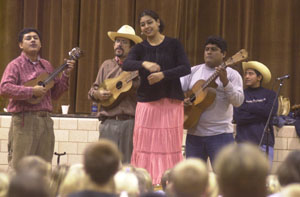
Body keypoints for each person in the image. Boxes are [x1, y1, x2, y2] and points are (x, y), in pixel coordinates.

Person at [122, 9, 191, 185]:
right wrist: (144, 63)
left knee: (169, 145)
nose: (146, 27)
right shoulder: (139, 48)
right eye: (143, 24)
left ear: (158, 22)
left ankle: (170, 182)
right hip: (147, 102)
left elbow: (185, 68)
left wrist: (163, 75)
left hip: (171, 101)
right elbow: (127, 64)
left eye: (149, 22)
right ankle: (145, 182)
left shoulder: (174, 44)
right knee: (144, 145)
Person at [0, 28, 75, 169]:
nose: (33, 40)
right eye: (28, 38)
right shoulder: (15, 65)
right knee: (19, 166)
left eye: (36, 38)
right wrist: (31, 91)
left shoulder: (46, 65)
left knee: (44, 166)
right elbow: (4, 88)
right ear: (20, 45)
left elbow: (55, 94)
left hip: (45, 121)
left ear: (41, 44)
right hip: (24, 121)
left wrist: (66, 74)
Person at [180, 36, 244, 165]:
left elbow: (238, 101)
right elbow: (175, 90)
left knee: (225, 178)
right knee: (194, 179)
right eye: (206, 49)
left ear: (224, 54)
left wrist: (225, 82)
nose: (209, 52)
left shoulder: (232, 74)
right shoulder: (193, 71)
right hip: (194, 135)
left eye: (214, 49)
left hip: (221, 135)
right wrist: (182, 101)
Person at [88, 25, 142, 164]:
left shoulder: (138, 67)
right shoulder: (106, 65)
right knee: (103, 165)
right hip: (108, 122)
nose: (119, 44)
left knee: (127, 166)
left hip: (130, 123)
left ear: (131, 47)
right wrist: (97, 93)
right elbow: (92, 91)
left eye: (124, 42)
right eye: (117, 41)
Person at [233, 61, 278, 163]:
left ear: (259, 77)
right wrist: (262, 112)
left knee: (263, 178)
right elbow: (239, 118)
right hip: (243, 144)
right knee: (242, 178)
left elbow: (270, 113)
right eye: (245, 74)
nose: (246, 77)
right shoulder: (240, 95)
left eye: (250, 74)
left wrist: (247, 107)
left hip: (264, 144)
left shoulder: (270, 94)